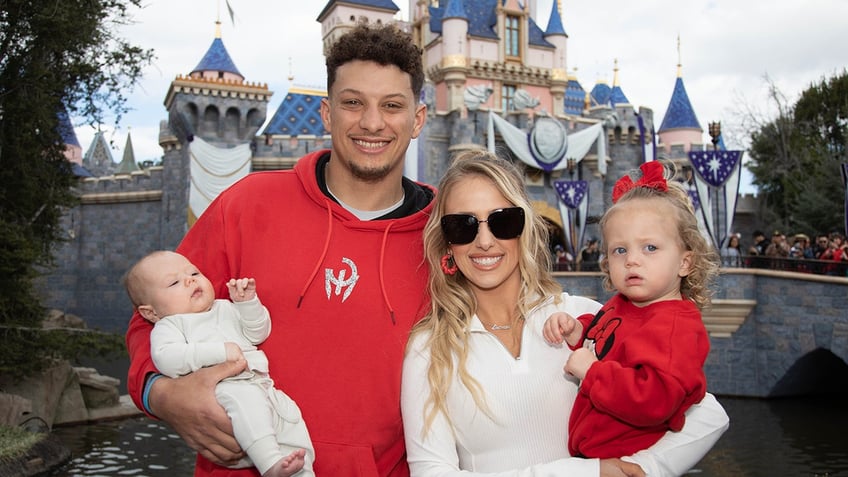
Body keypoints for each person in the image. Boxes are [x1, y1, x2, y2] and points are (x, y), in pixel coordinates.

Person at [126, 23, 433, 476]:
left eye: (392, 105)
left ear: (418, 119)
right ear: (327, 113)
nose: (372, 122)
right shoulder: (247, 205)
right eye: (353, 103)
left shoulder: (449, 234)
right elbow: (149, 315)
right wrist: (161, 394)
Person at [401, 151, 729, 476]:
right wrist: (587, 473)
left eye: (503, 220)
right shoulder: (431, 348)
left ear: (524, 228)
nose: (485, 241)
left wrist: (642, 468)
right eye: (462, 225)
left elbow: (707, 413)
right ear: (446, 242)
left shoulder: (583, 318)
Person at [543, 160, 720, 460]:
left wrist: (592, 372)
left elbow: (655, 400)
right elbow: (606, 341)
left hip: (625, 461)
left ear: (685, 262)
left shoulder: (675, 326)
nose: (632, 260)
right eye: (620, 250)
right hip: (591, 457)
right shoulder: (624, 305)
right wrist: (577, 330)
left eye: (650, 248)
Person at [123, 251, 313, 477]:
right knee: (248, 403)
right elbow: (167, 359)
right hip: (227, 389)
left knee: (292, 423)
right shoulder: (169, 326)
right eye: (174, 282)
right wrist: (219, 352)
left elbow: (257, 333)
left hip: (263, 385)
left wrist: (248, 304)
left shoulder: (225, 307)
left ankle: (302, 472)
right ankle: (270, 464)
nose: (190, 280)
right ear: (151, 312)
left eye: (194, 272)